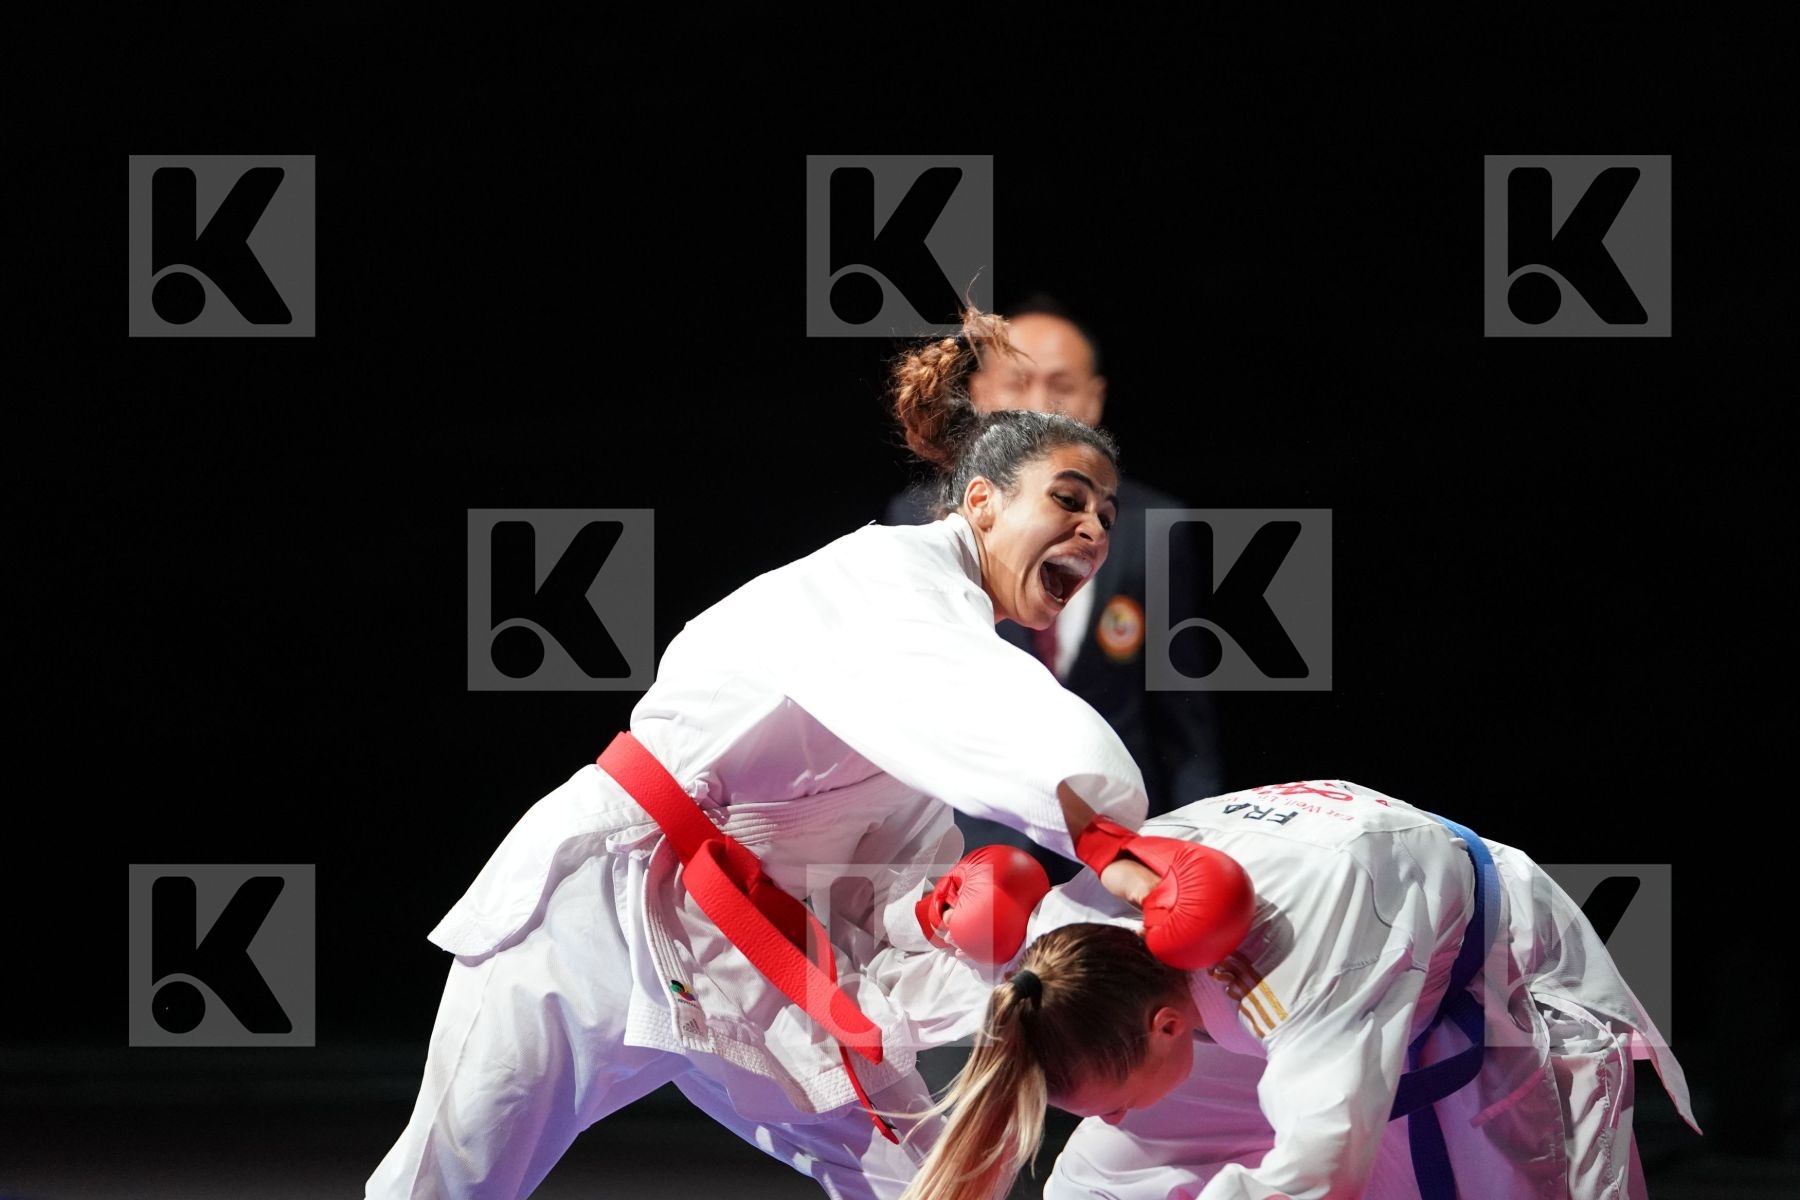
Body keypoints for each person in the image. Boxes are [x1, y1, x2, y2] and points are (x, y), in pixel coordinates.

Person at [365, 308, 1158, 1200]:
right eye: (1067, 500)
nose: (1093, 529)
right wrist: (1114, 839)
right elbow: (1001, 712)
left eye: (1105, 513)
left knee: (932, 1177)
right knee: (447, 1182)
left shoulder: (939, 670)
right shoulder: (890, 584)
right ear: (981, 502)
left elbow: (883, 864)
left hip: (748, 947)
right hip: (595, 910)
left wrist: (937, 914)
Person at [898, 780, 1701, 1200]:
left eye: (1109, 1101)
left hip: (1488, 981)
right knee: (1099, 1179)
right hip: (1310, 961)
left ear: (1168, 1025)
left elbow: (1318, 1174)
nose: (1107, 1116)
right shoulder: (1069, 941)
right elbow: (944, 989)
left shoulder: (1301, 966)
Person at [884, 297, 1223, 883]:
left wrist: (1202, 844)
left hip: (1112, 849)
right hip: (971, 852)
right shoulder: (918, 524)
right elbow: (902, 708)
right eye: (1018, 382)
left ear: (1094, 399)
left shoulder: (1156, 528)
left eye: (1061, 386)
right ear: (980, 394)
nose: (1037, 404)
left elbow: (1184, 716)